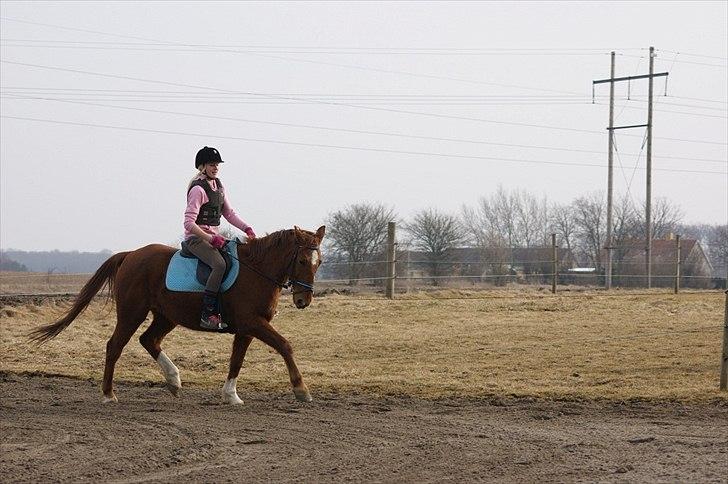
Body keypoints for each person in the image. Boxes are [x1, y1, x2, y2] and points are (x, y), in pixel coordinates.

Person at [184, 146, 256, 330]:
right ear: (202, 166)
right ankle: (207, 314)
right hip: (196, 239)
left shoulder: (219, 187)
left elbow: (229, 214)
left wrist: (246, 228)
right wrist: (209, 239)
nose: (215, 168)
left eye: (217, 164)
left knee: (239, 258)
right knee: (220, 264)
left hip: (213, 238)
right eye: (211, 164)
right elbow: (189, 223)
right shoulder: (198, 190)